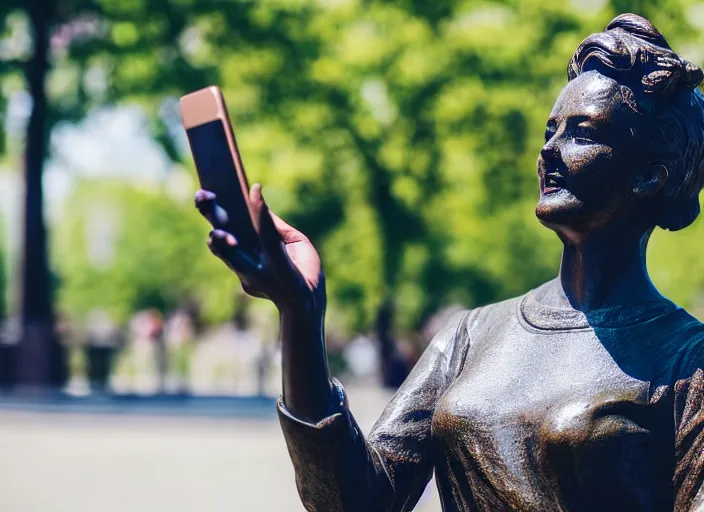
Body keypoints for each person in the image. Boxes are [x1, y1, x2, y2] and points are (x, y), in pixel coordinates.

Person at [194, 14, 704, 511]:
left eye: (583, 132)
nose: (549, 149)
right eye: (551, 129)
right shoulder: (470, 336)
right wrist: (301, 315)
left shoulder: (688, 362)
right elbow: (355, 500)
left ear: (650, 174)